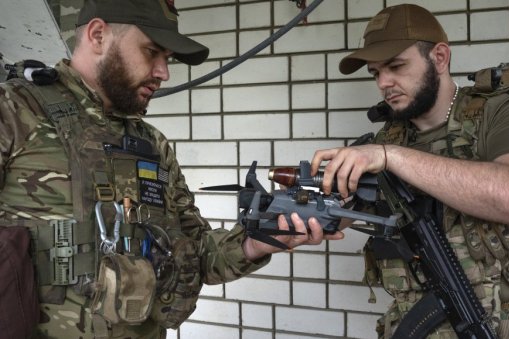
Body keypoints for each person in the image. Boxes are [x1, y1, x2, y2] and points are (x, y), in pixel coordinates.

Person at [0, 0, 342, 338]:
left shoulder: (151, 144)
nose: (164, 72)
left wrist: (261, 242)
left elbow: (195, 252)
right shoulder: (15, 111)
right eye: (152, 52)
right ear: (98, 35)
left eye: (167, 59)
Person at [310, 4, 509, 338]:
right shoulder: (389, 138)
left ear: (439, 57)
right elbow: (347, 210)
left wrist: (390, 156)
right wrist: (310, 218)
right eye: (375, 72)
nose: (384, 82)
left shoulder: (502, 112)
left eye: (395, 66)